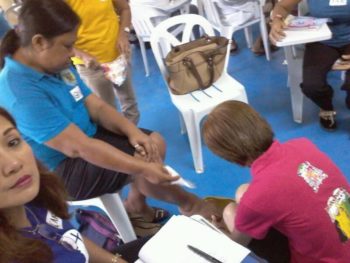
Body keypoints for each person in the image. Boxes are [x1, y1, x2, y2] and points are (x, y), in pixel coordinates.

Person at [0, 0, 220, 223]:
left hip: (88, 136)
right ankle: (189, 203)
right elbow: (79, 148)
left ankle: (137, 203)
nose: (71, 54)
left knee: (151, 143)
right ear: (39, 43)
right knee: (143, 159)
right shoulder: (19, 92)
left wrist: (132, 131)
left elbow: (95, 105)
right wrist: (143, 168)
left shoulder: (51, 64)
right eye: (67, 46)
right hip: (62, 169)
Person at [202, 101, 350, 262]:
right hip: (343, 236)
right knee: (243, 192)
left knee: (230, 211)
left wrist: (217, 229)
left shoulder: (258, 196)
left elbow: (235, 244)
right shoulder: (302, 144)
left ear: (232, 158)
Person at [0, 107, 130, 263]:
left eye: (12, 142)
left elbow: (69, 238)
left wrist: (114, 260)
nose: (14, 164)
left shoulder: (31, 201)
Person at [269, 0, 350, 131]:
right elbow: (282, 6)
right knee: (312, 85)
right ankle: (326, 107)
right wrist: (277, 20)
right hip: (321, 41)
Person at [66, 0, 140, 125]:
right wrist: (82, 55)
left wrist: (124, 33)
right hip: (91, 66)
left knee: (130, 103)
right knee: (108, 111)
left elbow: (124, 9)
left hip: (119, 56)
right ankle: (121, 140)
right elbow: (55, 39)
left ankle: (133, 134)